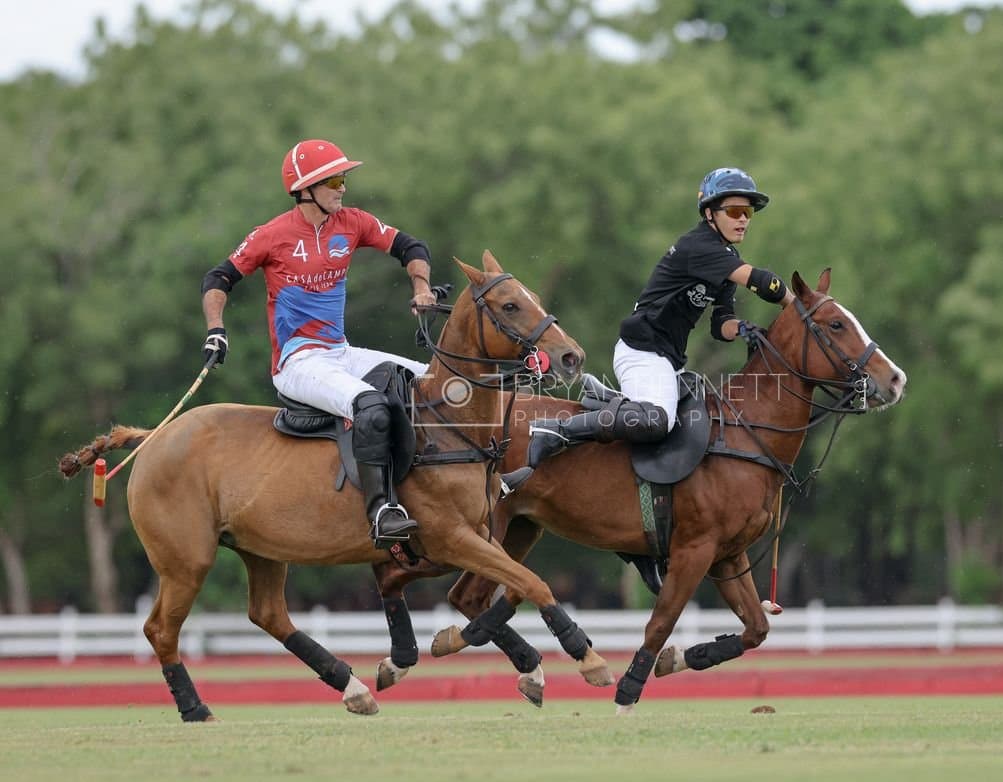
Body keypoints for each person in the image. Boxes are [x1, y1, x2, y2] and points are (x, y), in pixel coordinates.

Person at [200, 139, 436, 549]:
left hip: (341, 353)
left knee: (435, 382)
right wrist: (215, 328)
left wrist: (422, 287)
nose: (343, 188)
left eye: (343, 178)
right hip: (297, 363)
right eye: (335, 180)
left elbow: (409, 246)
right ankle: (381, 511)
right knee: (371, 406)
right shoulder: (270, 236)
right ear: (305, 189)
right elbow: (218, 279)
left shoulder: (353, 222)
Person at [502, 166, 795, 490]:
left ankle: (610, 402)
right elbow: (762, 282)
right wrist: (797, 306)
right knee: (657, 421)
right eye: (736, 211)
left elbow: (720, 323)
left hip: (667, 360)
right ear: (710, 213)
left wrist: (742, 328)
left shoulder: (726, 256)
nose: (744, 220)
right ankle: (557, 430)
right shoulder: (700, 247)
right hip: (642, 352)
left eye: (749, 212)